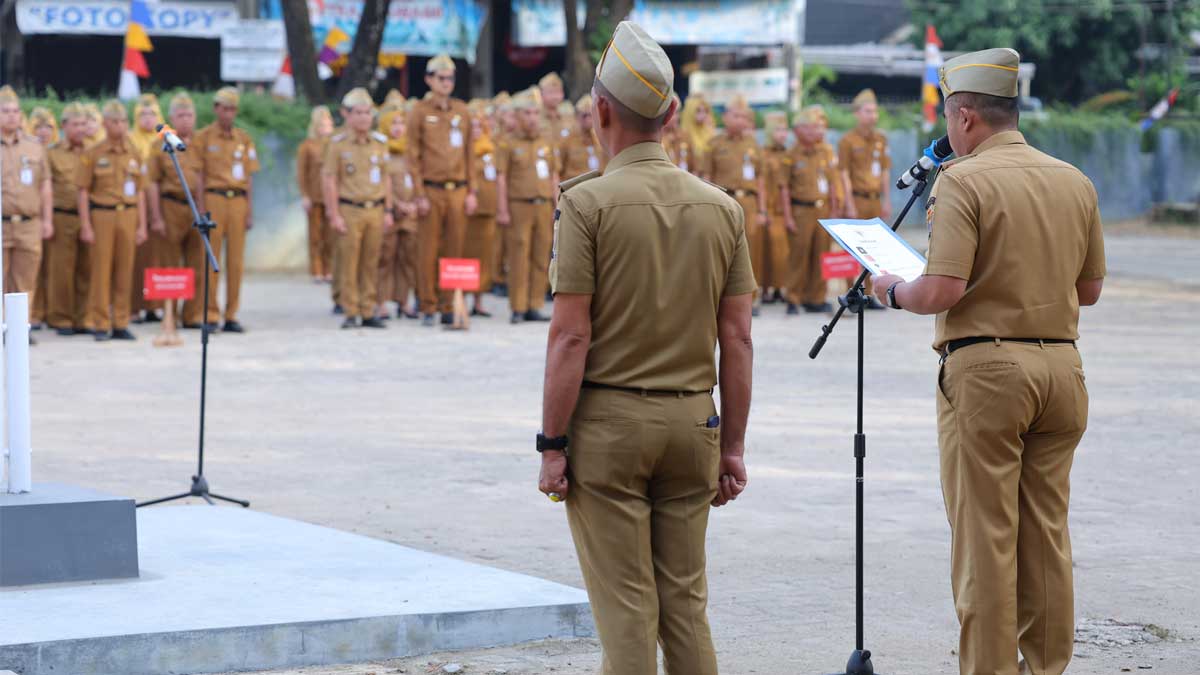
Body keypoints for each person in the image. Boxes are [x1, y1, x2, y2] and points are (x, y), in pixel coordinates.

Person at [869, 48, 1106, 675]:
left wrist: (891, 289)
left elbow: (941, 291)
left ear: (965, 116)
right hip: (1062, 371)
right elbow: (1088, 291)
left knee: (986, 539)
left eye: (949, 118)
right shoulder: (1073, 180)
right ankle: (1045, 667)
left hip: (988, 376)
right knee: (1045, 536)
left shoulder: (963, 180)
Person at [539, 22, 755, 674]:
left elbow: (571, 334)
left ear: (600, 110)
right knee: (684, 606)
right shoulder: (721, 208)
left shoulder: (588, 204)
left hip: (610, 428)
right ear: (669, 115)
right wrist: (734, 444)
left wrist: (551, 443)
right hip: (694, 424)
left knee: (628, 612)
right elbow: (738, 338)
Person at [406, 54, 477, 326]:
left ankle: (449, 304)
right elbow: (412, 157)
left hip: (458, 189)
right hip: (431, 190)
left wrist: (472, 191)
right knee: (427, 249)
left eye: (450, 78)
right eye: (440, 78)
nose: (446, 83)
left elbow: (470, 154)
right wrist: (418, 194)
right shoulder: (419, 112)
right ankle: (427, 304)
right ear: (429, 79)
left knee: (455, 248)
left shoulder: (462, 110)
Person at [322, 87, 393, 330]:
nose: (364, 117)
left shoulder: (380, 143)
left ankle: (368, 308)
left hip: (375, 208)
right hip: (349, 209)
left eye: (368, 112)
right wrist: (333, 214)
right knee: (349, 262)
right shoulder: (338, 144)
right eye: (359, 112)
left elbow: (387, 178)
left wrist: (389, 210)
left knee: (371, 261)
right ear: (347, 115)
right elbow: (330, 179)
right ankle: (351, 310)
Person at [77, 99, 147, 341]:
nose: (120, 126)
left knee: (124, 270)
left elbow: (140, 192)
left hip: (128, 214)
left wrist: (142, 225)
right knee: (101, 271)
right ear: (105, 124)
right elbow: (83, 190)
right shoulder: (93, 153)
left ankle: (120, 321)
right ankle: (100, 323)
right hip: (102, 215)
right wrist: (86, 224)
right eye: (115, 121)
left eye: (124, 121)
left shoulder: (134, 153)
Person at [146, 93, 214, 330]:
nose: (186, 120)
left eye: (190, 115)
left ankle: (192, 315)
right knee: (170, 264)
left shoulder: (199, 145)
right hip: (170, 206)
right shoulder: (160, 145)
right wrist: (155, 217)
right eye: (181, 115)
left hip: (194, 209)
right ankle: (169, 314)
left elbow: (202, 179)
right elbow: (152, 183)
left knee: (197, 262)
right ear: (172, 118)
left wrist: (203, 211)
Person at [195, 86, 259, 333]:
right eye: (224, 108)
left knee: (236, 261)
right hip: (213, 200)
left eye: (233, 109)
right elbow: (199, 176)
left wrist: (249, 210)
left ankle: (232, 314)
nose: (228, 114)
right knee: (210, 258)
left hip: (238, 200)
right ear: (216, 109)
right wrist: (200, 208)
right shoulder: (204, 137)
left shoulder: (243, 138)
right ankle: (210, 314)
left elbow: (250, 178)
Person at [496, 90, 558, 324]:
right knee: (519, 256)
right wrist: (502, 209)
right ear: (518, 116)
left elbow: (554, 175)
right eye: (527, 113)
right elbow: (501, 177)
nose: (532, 118)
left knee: (541, 256)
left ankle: (535, 304)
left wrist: (556, 204)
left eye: (535, 113)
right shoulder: (508, 143)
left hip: (543, 205)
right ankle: (518, 306)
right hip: (518, 205)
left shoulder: (546, 141)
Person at [700, 95, 766, 314]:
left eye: (744, 116)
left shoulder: (754, 145)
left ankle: (751, 299)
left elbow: (761, 180)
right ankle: (720, 297)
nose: (740, 120)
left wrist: (762, 209)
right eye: (736, 115)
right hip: (723, 201)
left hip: (749, 201)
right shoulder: (714, 144)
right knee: (721, 249)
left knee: (752, 251)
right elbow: (706, 176)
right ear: (725, 117)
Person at [0, 86, 53, 330]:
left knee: (26, 280)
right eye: (5, 111)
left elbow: (45, 184)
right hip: (2, 223)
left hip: (29, 223)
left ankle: (21, 328)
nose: (11, 116)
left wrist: (47, 220)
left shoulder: (34, 146)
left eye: (15, 111)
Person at [783, 105, 839, 315]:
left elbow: (832, 183)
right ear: (798, 131)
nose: (816, 132)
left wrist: (834, 210)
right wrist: (787, 216)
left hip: (822, 210)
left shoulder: (825, 152)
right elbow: (784, 188)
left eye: (817, 128)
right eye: (810, 128)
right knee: (799, 255)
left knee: (821, 255)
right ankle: (793, 297)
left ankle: (816, 298)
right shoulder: (791, 155)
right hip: (800, 211)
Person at [838, 88, 890, 309]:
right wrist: (848, 203)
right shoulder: (847, 141)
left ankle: (870, 294)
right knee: (853, 249)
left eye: (875, 111)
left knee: (874, 250)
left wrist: (886, 200)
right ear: (857, 113)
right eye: (868, 111)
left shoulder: (881, 139)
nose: (873, 115)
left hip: (875, 199)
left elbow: (885, 171)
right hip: (856, 199)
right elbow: (843, 173)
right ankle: (852, 292)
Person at [45, 102, 92, 336]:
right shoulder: (52, 152)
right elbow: (45, 187)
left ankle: (83, 317)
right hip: (61, 216)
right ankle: (61, 317)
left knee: (87, 269)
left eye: (84, 124)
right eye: (75, 124)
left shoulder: (94, 150)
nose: (80, 129)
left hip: (90, 217)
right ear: (64, 126)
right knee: (61, 269)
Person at [375, 97, 418, 320]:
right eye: (393, 123)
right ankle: (381, 302)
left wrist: (413, 204)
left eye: (402, 123)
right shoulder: (380, 150)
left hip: (411, 213)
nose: (398, 128)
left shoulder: (411, 152)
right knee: (385, 258)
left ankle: (403, 301)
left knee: (407, 258)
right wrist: (395, 206)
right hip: (390, 212)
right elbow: (381, 183)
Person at [130, 93, 165, 323]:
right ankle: (134, 307)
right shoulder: (131, 140)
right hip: (136, 205)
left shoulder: (165, 141)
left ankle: (154, 306)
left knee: (157, 258)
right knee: (136, 260)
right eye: (142, 114)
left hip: (161, 206)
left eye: (152, 113)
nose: (147, 118)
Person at [464, 101, 498, 317]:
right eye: (472, 126)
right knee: (465, 253)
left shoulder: (492, 149)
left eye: (479, 126)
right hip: (466, 211)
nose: (476, 130)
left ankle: (478, 300)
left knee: (485, 255)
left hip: (487, 209)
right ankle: (461, 298)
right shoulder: (461, 150)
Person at [26, 106, 59, 330]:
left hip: (60, 214)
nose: (43, 131)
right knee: (32, 269)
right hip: (33, 215)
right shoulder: (28, 151)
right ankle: (34, 313)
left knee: (55, 267)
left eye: (48, 127)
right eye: (38, 126)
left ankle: (52, 311)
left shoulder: (59, 150)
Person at [297, 106, 335, 283]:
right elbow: (301, 173)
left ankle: (329, 269)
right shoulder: (307, 146)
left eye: (328, 123)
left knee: (330, 236)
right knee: (315, 236)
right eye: (322, 123)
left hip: (331, 197)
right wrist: (304, 195)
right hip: (314, 196)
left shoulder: (335, 145)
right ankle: (317, 270)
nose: (325, 127)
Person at [762, 111, 790, 304]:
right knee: (766, 251)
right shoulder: (763, 154)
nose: (783, 134)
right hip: (769, 209)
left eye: (785, 130)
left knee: (783, 252)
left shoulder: (789, 154)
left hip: (784, 211)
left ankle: (780, 288)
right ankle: (765, 289)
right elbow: (761, 183)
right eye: (778, 130)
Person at [558, 94, 607, 180]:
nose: (588, 120)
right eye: (584, 116)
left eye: (591, 115)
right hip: (575, 188)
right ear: (577, 117)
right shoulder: (567, 141)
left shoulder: (601, 139)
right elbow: (559, 170)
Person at [680, 93, 715, 173]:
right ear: (690, 111)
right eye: (698, 111)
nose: (703, 114)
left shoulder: (709, 132)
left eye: (705, 111)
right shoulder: (682, 136)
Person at [661, 93, 694, 172]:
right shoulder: (655, 137)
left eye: (677, 113)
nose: (675, 117)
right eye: (671, 113)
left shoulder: (685, 135)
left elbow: (693, 167)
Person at [538, 73, 571, 143]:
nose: (555, 97)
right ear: (541, 94)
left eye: (558, 92)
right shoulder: (535, 115)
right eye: (550, 92)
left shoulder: (569, 115)